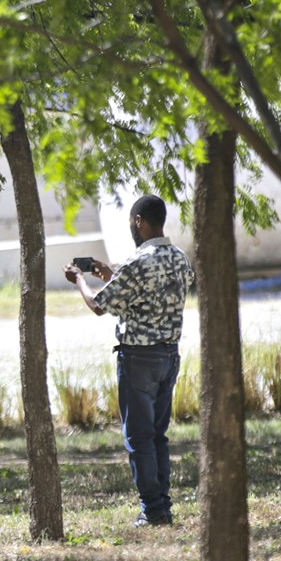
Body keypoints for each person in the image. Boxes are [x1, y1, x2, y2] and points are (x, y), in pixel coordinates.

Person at [64, 195, 195, 528]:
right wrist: (111, 275)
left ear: (139, 221)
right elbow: (149, 298)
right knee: (157, 435)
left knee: (138, 437)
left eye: (131, 224)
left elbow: (98, 305)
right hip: (169, 354)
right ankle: (161, 505)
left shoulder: (139, 261)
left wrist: (80, 279)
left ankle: (152, 511)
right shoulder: (179, 258)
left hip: (138, 358)